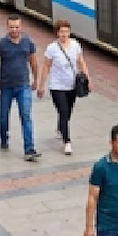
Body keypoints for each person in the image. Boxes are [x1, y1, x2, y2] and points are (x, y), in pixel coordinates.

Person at [0, 15, 41, 161]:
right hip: (5, 86)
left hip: (23, 85)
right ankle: (4, 138)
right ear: (7, 27)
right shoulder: (1, 44)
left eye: (17, 27)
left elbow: (34, 62)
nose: (14, 30)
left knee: (26, 116)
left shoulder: (28, 43)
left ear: (21, 27)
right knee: (3, 116)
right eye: (11, 27)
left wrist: (35, 80)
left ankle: (29, 149)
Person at [38, 20, 91, 156]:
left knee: (67, 113)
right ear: (57, 33)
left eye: (66, 31)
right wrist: (41, 86)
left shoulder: (75, 45)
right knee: (63, 110)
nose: (64, 34)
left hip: (72, 85)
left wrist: (88, 79)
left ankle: (60, 126)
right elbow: (46, 66)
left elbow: (81, 62)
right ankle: (67, 141)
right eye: (61, 32)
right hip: (56, 86)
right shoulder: (52, 48)